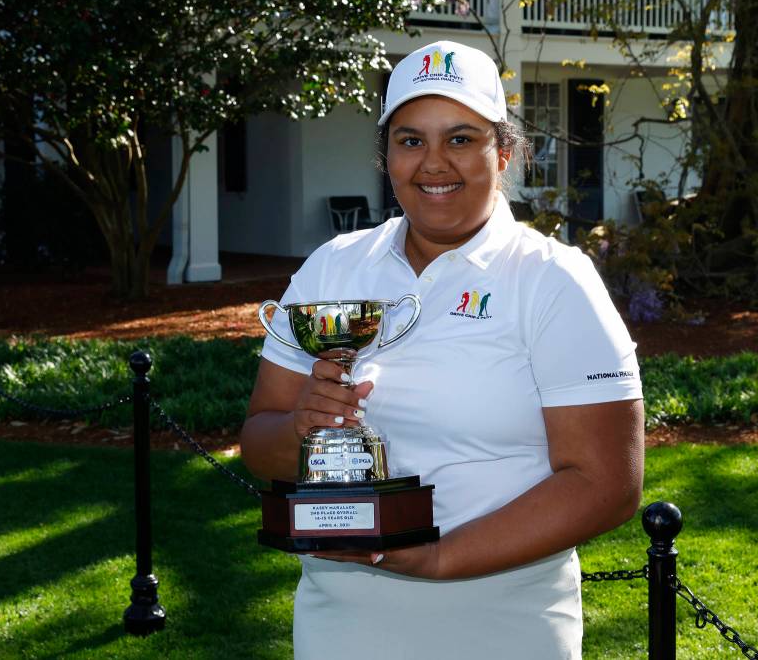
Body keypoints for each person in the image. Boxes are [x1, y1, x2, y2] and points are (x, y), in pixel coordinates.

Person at [240, 40, 644, 660]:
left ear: (503, 153)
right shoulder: (335, 267)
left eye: (460, 138)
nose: (434, 163)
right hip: (342, 621)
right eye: (410, 140)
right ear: (387, 157)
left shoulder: (553, 278)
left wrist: (440, 558)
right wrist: (303, 425)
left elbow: (606, 483)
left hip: (505, 623)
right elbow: (260, 446)